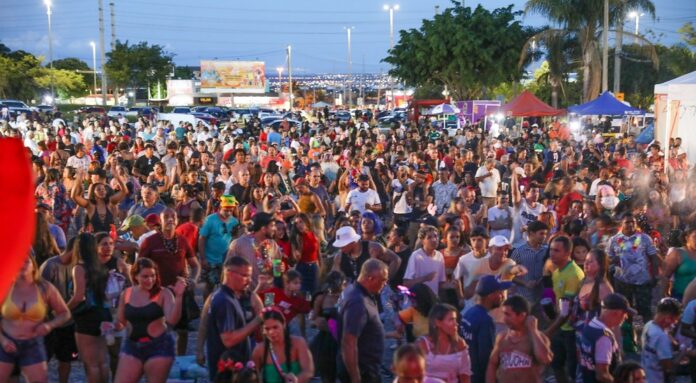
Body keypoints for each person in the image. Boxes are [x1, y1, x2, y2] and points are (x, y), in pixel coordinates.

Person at [112, 257, 187, 383]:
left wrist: (179, 297)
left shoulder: (164, 293)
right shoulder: (127, 293)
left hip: (158, 345)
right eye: (145, 276)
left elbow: (172, 321)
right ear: (136, 277)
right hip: (132, 345)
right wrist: (111, 326)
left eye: (153, 276)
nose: (150, 280)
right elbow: (121, 320)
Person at [138, 208, 200, 355]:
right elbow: (138, 267)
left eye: (173, 216)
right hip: (157, 293)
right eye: (166, 216)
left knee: (182, 330)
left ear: (177, 220)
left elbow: (195, 265)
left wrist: (194, 280)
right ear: (160, 220)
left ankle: (180, 360)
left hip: (179, 292)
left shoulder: (182, 240)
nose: (170, 219)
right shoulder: (150, 241)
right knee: (156, 328)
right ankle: (155, 359)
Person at [0, 255, 71, 383]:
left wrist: (50, 325)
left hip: (33, 344)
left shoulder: (45, 288)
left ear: (33, 266)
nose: (22, 265)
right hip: (6, 343)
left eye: (26, 261)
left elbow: (65, 313)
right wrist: (3, 339)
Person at [205, 256, 263, 381]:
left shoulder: (229, 296)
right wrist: (258, 320)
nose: (249, 280)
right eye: (245, 276)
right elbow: (229, 339)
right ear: (229, 274)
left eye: (249, 276)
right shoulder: (224, 301)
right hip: (227, 373)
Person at [67, 232, 112, 383]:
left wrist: (64, 309)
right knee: (102, 361)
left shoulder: (79, 268)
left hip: (87, 317)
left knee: (91, 363)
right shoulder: (100, 266)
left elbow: (79, 296)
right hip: (105, 314)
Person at [338, 258, 390, 383]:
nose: (385, 284)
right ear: (370, 278)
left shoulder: (355, 291)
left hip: (366, 367)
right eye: (383, 280)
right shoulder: (358, 302)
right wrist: (356, 377)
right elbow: (349, 342)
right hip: (363, 371)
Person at [485, 295, 553, 383]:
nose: (504, 319)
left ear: (522, 315)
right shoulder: (502, 338)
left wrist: (533, 330)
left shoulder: (537, 338)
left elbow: (545, 359)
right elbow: (492, 364)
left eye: (508, 315)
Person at [39, 237, 79, 383]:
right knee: (42, 361)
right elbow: (40, 296)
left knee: (66, 359)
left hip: (68, 323)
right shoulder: (50, 266)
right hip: (49, 322)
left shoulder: (78, 266)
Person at [607, 214, 659, 321]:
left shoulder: (644, 238)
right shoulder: (614, 240)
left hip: (642, 281)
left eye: (633, 222)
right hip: (622, 281)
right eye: (627, 222)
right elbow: (608, 260)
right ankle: (628, 335)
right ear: (621, 224)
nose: (630, 224)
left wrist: (655, 275)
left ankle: (647, 334)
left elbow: (653, 258)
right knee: (624, 311)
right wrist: (614, 262)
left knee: (645, 311)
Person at [459, 275, 511, 383]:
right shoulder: (485, 320)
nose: (502, 296)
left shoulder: (469, 313)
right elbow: (486, 359)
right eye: (499, 292)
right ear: (491, 296)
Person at [547, 235, 584, 383]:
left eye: (556, 250)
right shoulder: (557, 272)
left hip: (572, 330)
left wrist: (548, 331)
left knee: (573, 369)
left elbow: (566, 311)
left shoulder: (574, 274)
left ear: (567, 253)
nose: (551, 254)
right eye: (551, 250)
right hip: (561, 327)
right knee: (556, 364)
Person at [576, 293, 635, 383]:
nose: (626, 317)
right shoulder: (604, 337)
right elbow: (602, 375)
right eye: (625, 313)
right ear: (616, 313)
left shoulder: (591, 325)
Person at [251, 307, 315, 383]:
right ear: (262, 330)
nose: (271, 332)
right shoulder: (259, 349)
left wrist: (296, 380)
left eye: (275, 327)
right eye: (267, 329)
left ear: (284, 324)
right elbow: (254, 376)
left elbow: (308, 371)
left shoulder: (298, 343)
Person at [415, 303, 472, 383]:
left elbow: (465, 374)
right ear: (438, 323)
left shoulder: (459, 344)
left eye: (455, 319)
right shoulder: (423, 344)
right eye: (451, 320)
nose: (456, 324)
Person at [227, 212, 281, 289]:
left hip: (269, 294)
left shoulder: (273, 244)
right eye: (272, 226)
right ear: (263, 229)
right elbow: (227, 270)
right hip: (247, 294)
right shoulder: (239, 244)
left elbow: (277, 272)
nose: (275, 228)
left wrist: (279, 269)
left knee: (269, 301)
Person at [331, 225, 401, 283]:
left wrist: (385, 281)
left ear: (353, 242)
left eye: (343, 245)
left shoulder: (373, 249)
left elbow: (396, 260)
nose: (341, 248)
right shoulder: (339, 257)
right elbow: (335, 277)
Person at [200, 195, 239, 298]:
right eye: (226, 210)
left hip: (226, 260)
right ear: (220, 207)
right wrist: (203, 258)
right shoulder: (210, 220)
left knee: (226, 286)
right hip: (210, 260)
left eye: (231, 210)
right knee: (209, 286)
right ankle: (206, 309)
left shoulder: (234, 222)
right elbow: (201, 239)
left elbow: (235, 240)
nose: (229, 213)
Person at [640, 297, 682, 383]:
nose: (673, 324)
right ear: (668, 317)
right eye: (674, 320)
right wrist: (683, 353)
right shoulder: (661, 337)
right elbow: (668, 367)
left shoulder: (649, 325)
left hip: (645, 376)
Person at [403, 225, 446, 295]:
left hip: (432, 301)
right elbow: (406, 283)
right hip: (417, 300)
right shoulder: (416, 256)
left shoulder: (440, 256)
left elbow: (441, 283)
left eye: (435, 236)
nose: (434, 240)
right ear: (422, 241)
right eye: (429, 237)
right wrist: (425, 278)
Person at [662, 224, 696, 300]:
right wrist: (663, 297)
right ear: (687, 238)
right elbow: (665, 276)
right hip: (680, 297)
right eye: (695, 237)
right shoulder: (677, 253)